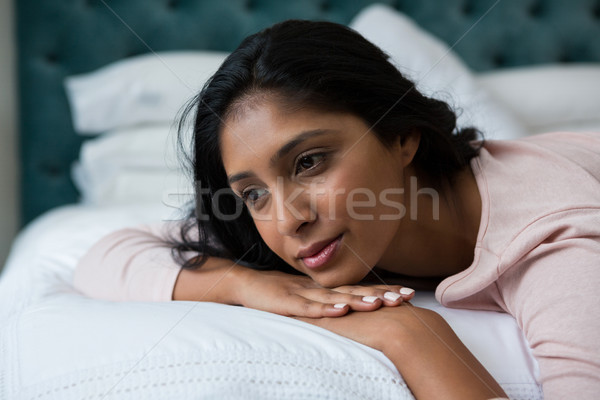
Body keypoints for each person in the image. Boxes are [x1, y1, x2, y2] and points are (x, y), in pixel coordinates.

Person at [73, 19, 600, 400]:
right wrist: (249, 286)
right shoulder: (321, 229)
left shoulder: (557, 242)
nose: (287, 220)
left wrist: (413, 337)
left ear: (402, 137)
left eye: (309, 162)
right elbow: (107, 255)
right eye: (253, 192)